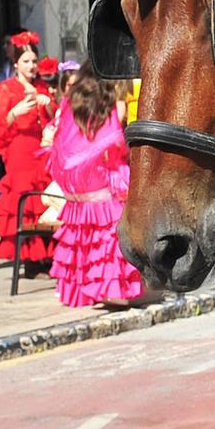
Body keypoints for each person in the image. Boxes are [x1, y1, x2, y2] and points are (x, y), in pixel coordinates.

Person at [48, 65, 144, 309]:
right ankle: (111, 290)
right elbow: (116, 140)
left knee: (81, 234)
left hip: (76, 180)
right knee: (106, 234)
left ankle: (80, 291)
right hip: (101, 177)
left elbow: (62, 139)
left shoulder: (72, 101)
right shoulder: (111, 101)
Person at [0, 33, 57, 271]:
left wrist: (48, 103)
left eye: (33, 61)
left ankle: (47, 254)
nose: (31, 66)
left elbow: (56, 120)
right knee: (24, 200)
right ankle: (29, 257)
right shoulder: (6, 89)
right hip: (20, 150)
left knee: (45, 198)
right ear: (16, 63)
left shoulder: (43, 87)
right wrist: (15, 112)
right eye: (26, 61)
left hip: (43, 150)